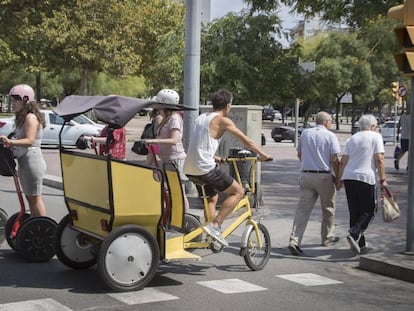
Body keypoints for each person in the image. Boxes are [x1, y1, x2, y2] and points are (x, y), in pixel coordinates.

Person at [183, 89, 272, 247]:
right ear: (228, 105)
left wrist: (215, 157)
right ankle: (216, 225)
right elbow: (247, 142)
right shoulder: (223, 120)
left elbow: (200, 143)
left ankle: (210, 235)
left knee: (212, 198)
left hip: (190, 168)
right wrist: (263, 155)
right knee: (238, 191)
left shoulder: (201, 117)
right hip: (205, 168)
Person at [288, 111, 341, 256]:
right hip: (324, 176)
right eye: (330, 121)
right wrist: (338, 178)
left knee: (302, 210)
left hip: (306, 175)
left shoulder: (305, 133)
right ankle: (327, 237)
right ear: (326, 122)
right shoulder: (330, 136)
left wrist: (307, 164)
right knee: (328, 209)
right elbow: (334, 159)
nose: (331, 123)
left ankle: (294, 240)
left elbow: (299, 154)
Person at [336, 114, 387, 255]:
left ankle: (360, 243)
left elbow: (343, 161)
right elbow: (380, 159)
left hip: (349, 177)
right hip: (365, 177)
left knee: (355, 211)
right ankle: (354, 233)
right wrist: (382, 179)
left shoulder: (352, 138)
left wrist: (339, 180)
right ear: (372, 126)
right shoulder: (375, 137)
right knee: (370, 210)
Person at [0, 84, 47, 217]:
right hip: (25, 160)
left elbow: (30, 140)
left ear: (25, 100)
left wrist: (11, 141)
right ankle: (34, 223)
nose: (13, 104)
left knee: (35, 198)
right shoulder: (23, 117)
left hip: (33, 160)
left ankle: (41, 226)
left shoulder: (30, 117)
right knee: (30, 198)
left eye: (16, 100)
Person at [142, 89, 189, 212]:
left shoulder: (174, 118)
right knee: (170, 191)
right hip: (168, 160)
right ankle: (173, 216)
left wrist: (153, 141)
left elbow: (174, 140)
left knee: (179, 192)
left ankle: (186, 218)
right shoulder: (165, 119)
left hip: (176, 160)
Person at [395, 106, 410, 170]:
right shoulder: (411, 116)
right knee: (411, 152)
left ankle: (397, 160)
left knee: (403, 150)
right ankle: (408, 165)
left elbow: (398, 125)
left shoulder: (402, 116)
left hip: (403, 136)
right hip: (410, 137)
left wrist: (398, 135)